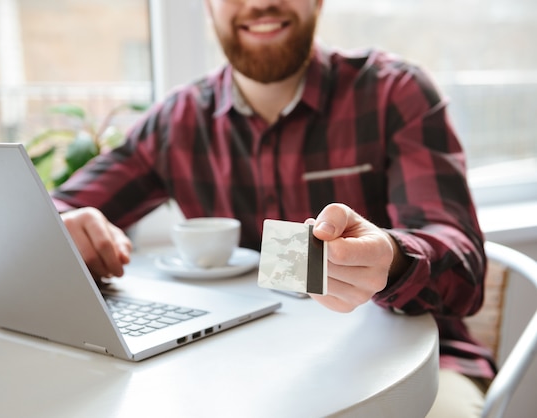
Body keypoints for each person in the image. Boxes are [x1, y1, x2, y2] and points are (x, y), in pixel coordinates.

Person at [51, 1, 495, 416]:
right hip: (246, 370)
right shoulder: (178, 119)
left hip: (421, 363)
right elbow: (52, 211)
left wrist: (392, 259)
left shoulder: (393, 92)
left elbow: (465, 269)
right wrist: (60, 229)